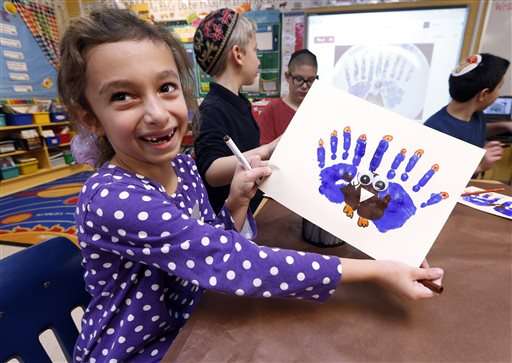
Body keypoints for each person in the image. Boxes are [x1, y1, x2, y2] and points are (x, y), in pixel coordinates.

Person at [58, 9, 444, 363]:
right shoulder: (112, 198)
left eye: (166, 88)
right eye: (123, 96)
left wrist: (238, 202)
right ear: (90, 117)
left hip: (197, 318)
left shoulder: (180, 164)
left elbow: (205, 246)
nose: (158, 113)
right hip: (140, 350)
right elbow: (231, 260)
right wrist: (377, 270)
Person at [193, 8, 278, 214]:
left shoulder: (239, 100)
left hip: (252, 210)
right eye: (255, 50)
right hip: (230, 222)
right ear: (238, 54)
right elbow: (212, 171)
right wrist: (266, 149)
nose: (258, 60)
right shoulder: (212, 109)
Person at [424, 53, 511, 173]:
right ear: (484, 94)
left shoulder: (475, 115)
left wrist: (504, 126)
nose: (498, 94)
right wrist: (480, 166)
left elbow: (473, 131)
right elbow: (439, 175)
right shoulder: (436, 130)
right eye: (499, 88)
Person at [258, 49, 319, 144]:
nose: (304, 86)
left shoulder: (320, 109)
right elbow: (263, 150)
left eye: (311, 80)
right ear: (287, 76)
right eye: (299, 79)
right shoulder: (272, 110)